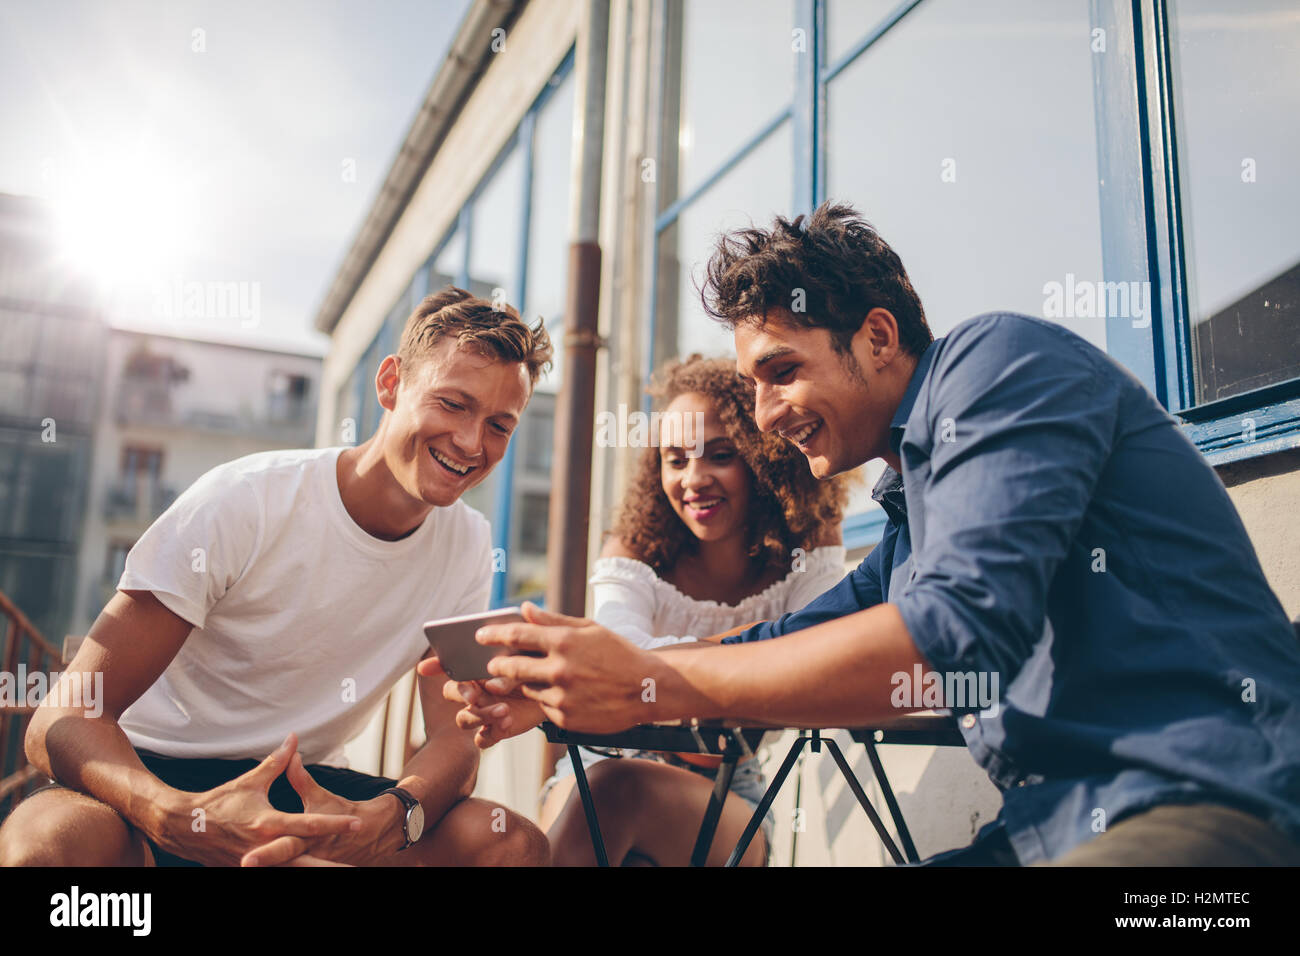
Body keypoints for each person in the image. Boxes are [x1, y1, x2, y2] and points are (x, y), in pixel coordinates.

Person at [441, 203, 1300, 866]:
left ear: (879, 336)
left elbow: (951, 638)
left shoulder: (996, 365)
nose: (768, 415)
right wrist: (570, 688)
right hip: (1048, 830)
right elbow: (786, 639)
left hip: (1215, 814)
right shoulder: (912, 512)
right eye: (754, 382)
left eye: (782, 371)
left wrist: (643, 683)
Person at [0, 287, 553, 867]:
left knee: (509, 845)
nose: (472, 443)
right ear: (390, 384)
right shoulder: (246, 500)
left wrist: (395, 814)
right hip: (148, 773)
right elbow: (59, 719)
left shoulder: (468, 544)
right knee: (42, 849)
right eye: (453, 403)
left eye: (499, 425)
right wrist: (170, 814)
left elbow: (453, 734)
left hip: (304, 788)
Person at [530, 355, 848, 866]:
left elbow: (820, 659)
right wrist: (757, 657)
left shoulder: (806, 546)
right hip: (600, 761)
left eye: (720, 455)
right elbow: (618, 662)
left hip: (727, 784)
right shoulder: (632, 550)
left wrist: (663, 679)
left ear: (764, 458)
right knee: (609, 784)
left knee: (618, 791)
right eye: (675, 459)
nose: (693, 479)